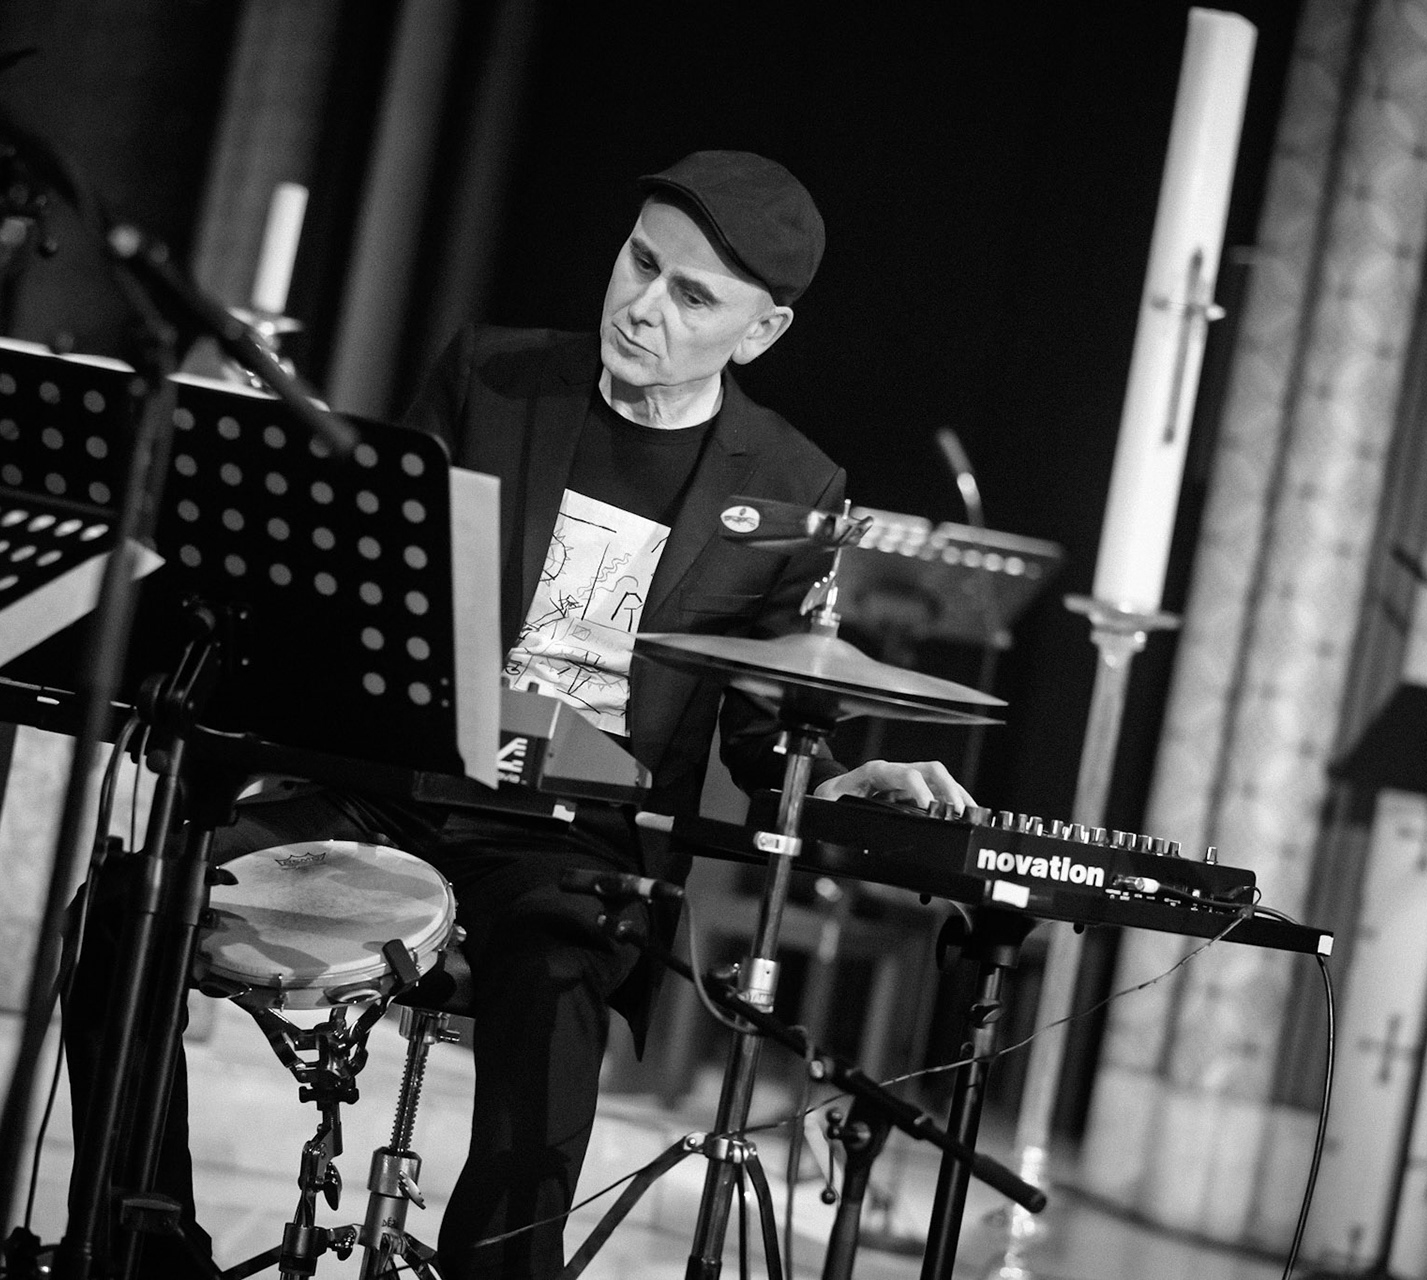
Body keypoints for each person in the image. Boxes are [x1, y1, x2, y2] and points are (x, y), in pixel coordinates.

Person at [64, 150, 970, 1280]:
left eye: (693, 297)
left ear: (761, 332)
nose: (643, 305)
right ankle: (147, 1244)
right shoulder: (493, 376)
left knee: (552, 988)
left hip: (567, 842)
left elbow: (760, 720)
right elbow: (368, 582)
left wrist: (829, 780)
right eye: (642, 262)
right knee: (122, 913)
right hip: (394, 783)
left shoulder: (793, 480)